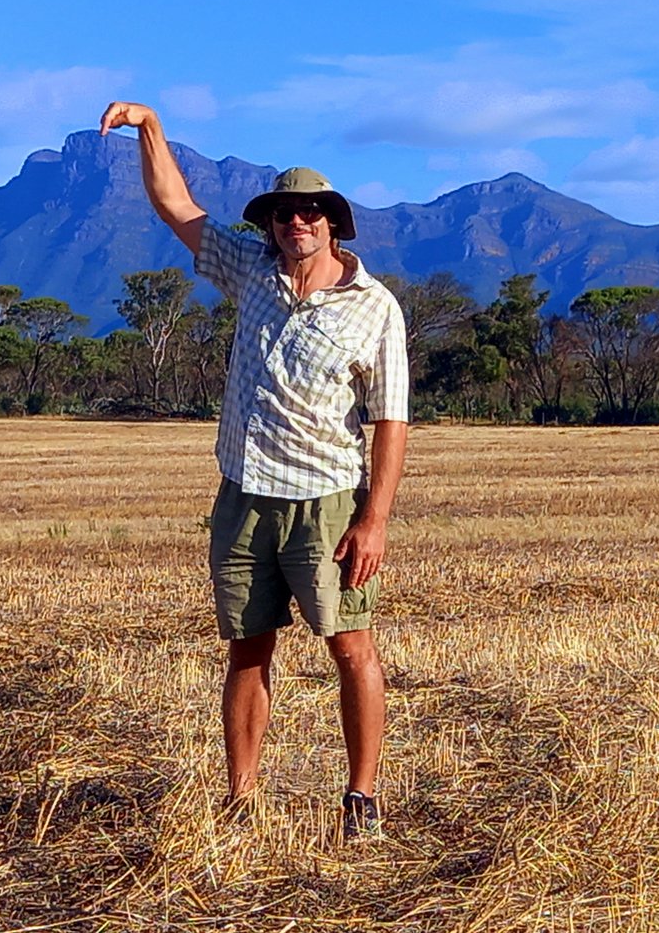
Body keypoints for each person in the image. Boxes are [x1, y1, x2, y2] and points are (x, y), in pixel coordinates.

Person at [98, 100, 410, 840]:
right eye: (281, 213)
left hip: (327, 506)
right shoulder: (251, 271)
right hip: (244, 497)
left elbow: (391, 421)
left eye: (309, 212)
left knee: (350, 645)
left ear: (333, 222)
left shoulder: (375, 308)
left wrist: (375, 519)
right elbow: (176, 205)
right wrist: (150, 128)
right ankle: (241, 799)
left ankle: (360, 798)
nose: (294, 223)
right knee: (248, 647)